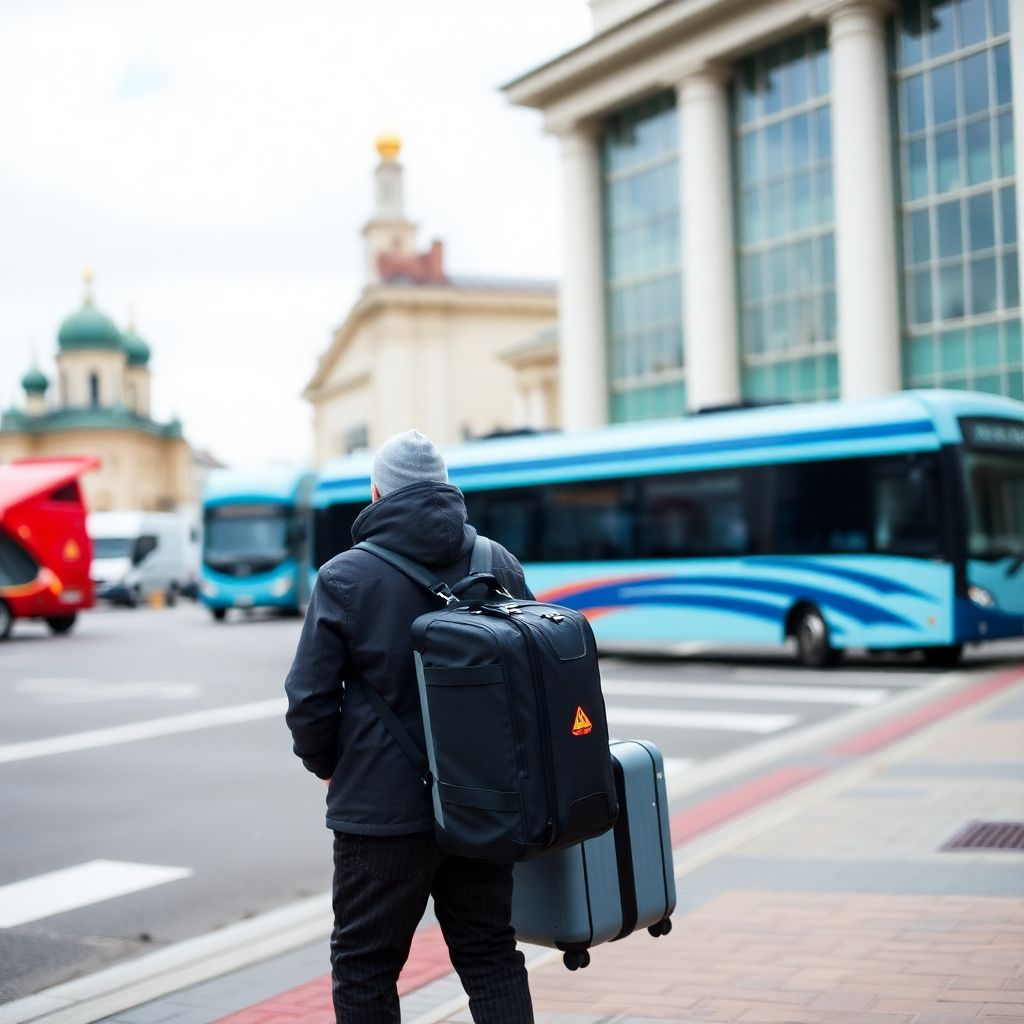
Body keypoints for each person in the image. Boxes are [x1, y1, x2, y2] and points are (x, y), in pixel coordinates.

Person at [285, 429, 535, 1024]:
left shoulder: (345, 576)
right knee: (490, 951)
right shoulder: (494, 561)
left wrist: (328, 767)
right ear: (445, 488)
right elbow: (531, 677)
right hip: (484, 799)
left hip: (382, 811)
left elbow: (308, 698)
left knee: (366, 964)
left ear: (376, 492)